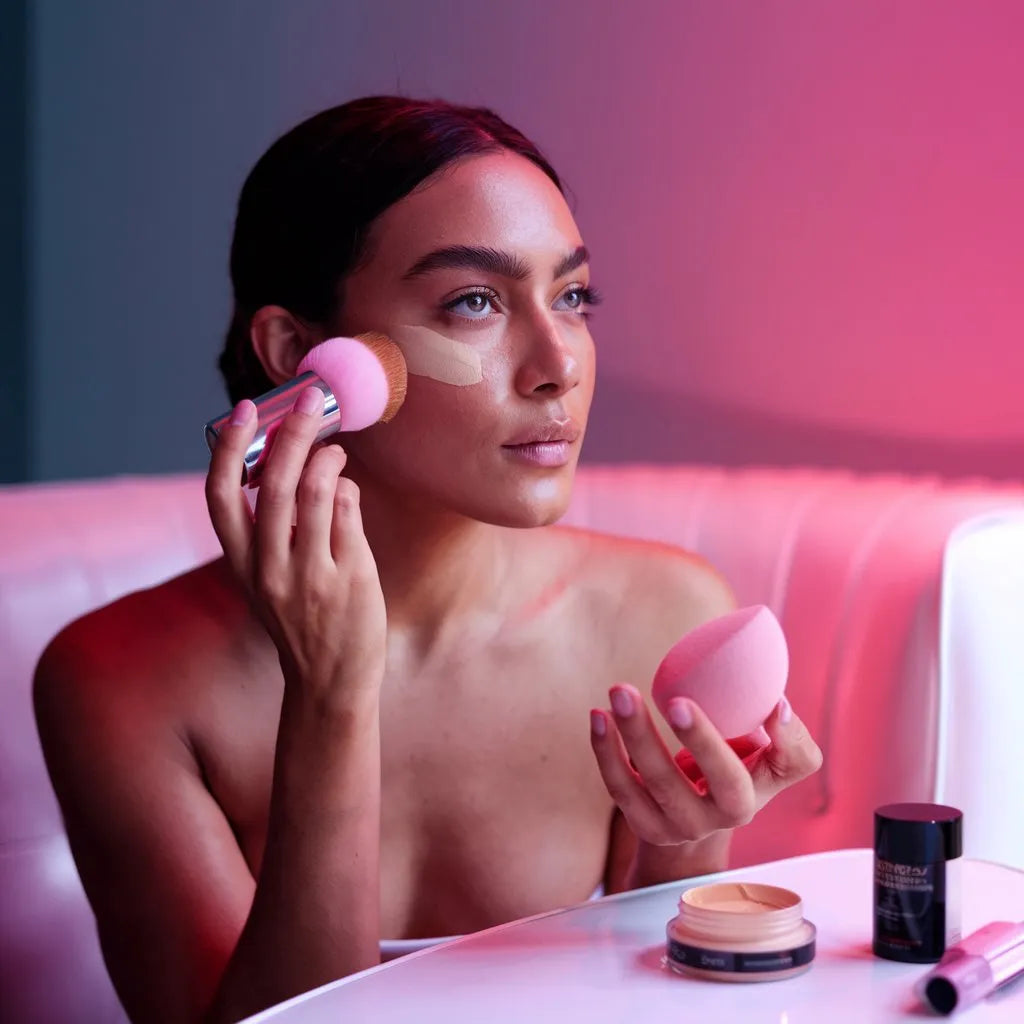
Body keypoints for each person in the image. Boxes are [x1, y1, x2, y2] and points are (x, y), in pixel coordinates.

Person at [33, 96, 822, 1024]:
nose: (558, 364)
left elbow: (659, 1007)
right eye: (474, 302)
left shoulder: (660, 618)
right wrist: (330, 699)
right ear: (298, 353)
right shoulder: (120, 682)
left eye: (572, 297)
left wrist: (685, 846)